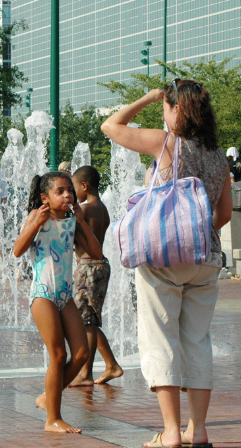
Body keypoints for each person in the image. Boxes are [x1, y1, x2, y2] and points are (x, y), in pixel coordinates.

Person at [101, 79, 231, 448]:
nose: (162, 112)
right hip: (206, 257)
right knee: (197, 341)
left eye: (165, 106)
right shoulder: (218, 155)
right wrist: (196, 230)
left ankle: (171, 433)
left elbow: (110, 126)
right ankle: (199, 430)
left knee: (160, 339)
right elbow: (222, 214)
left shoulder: (165, 142)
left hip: (164, 258)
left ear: (176, 110)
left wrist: (148, 96)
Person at [12, 171, 102, 434]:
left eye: (70, 191)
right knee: (58, 354)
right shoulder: (37, 218)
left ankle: (47, 399)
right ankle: (52, 418)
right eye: (60, 191)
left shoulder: (73, 221)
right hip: (43, 293)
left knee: (82, 353)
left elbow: (97, 254)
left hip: (65, 295)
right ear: (45, 197)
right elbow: (18, 250)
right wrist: (35, 223)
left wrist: (83, 223)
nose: (68, 196)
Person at [69, 166, 123, 386]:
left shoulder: (85, 210)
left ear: (84, 186)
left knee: (87, 323)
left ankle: (85, 374)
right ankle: (111, 365)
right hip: (101, 266)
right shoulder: (103, 208)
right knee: (90, 320)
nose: (72, 194)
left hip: (88, 267)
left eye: (73, 188)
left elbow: (79, 240)